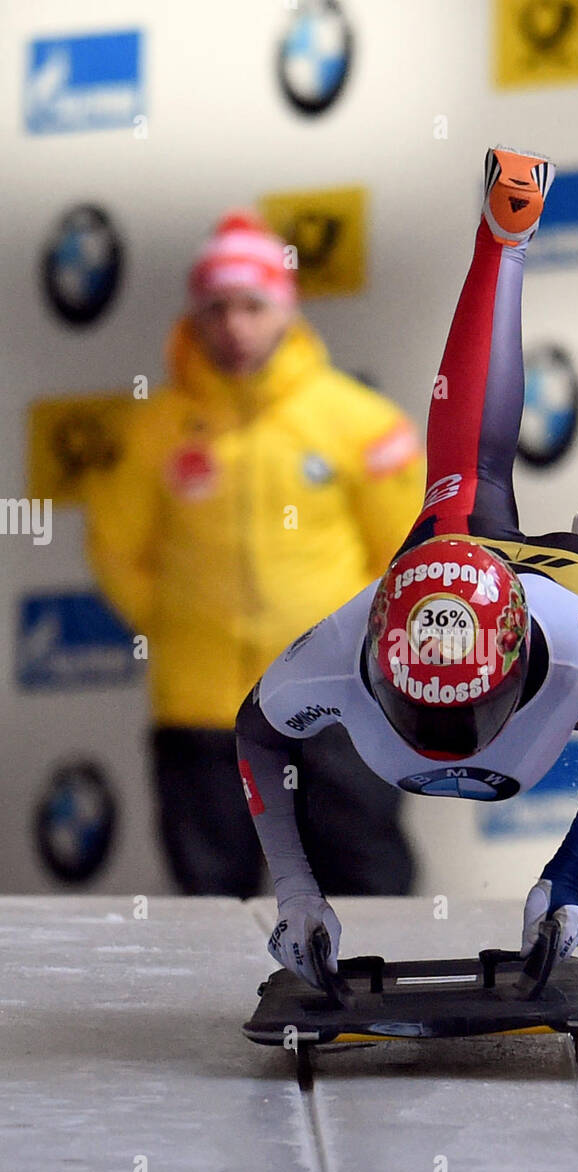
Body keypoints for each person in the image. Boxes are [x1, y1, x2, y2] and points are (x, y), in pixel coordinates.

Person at [235, 147, 578, 987]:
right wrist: (296, 893)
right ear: (374, 659)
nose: (442, 746)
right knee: (463, 479)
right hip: (454, 557)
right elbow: (253, 734)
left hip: (560, 588)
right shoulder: (330, 651)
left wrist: (567, 880)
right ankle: (501, 239)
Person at [85, 210, 424, 898]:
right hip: (201, 712)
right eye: (216, 308)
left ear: (285, 311)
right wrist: (177, 626)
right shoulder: (152, 431)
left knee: (368, 892)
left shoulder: (360, 423)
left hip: (339, 705)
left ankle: (379, 1010)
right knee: (212, 903)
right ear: (196, 316)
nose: (234, 326)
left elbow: (412, 555)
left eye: (252, 305)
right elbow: (115, 548)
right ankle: (213, 1013)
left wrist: (355, 647)